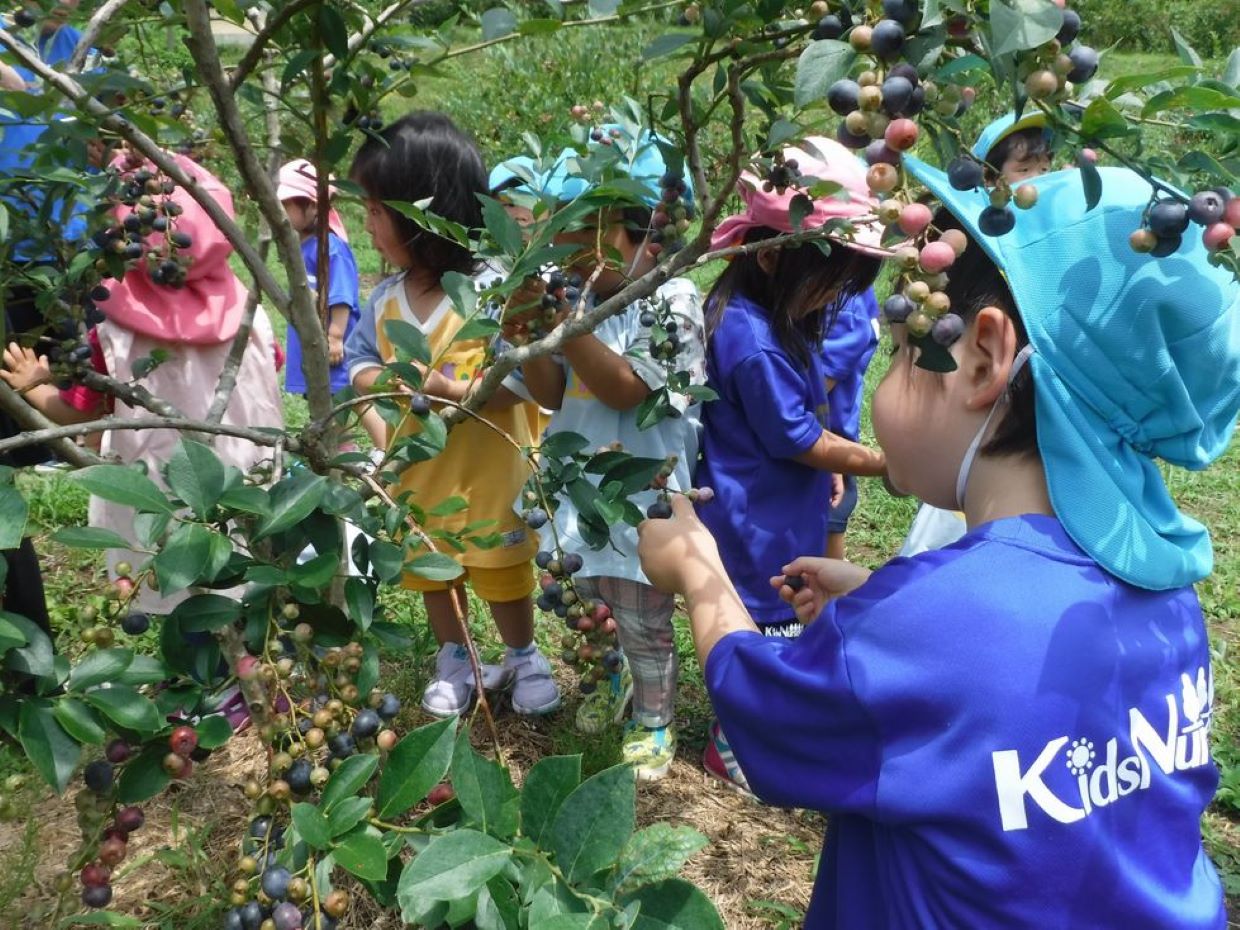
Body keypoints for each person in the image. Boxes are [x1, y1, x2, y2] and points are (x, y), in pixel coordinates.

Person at [636, 156, 1238, 927]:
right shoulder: (1167, 589)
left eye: (899, 350)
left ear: (982, 358)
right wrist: (881, 600)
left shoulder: (927, 631)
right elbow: (1013, 682)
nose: (887, 375)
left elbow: (762, 716)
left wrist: (698, 571)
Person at [0, 146, 284, 612]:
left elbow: (77, 414)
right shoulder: (246, 308)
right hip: (245, 486)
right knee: (247, 582)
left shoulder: (117, 327)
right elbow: (268, 368)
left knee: (181, 592)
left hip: (160, 498)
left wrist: (34, 384)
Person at [345, 112, 558, 718]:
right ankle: (457, 657)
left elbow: (524, 377)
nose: (368, 225)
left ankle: (522, 654)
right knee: (433, 570)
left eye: (377, 210)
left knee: (503, 568)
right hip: (422, 473)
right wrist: (383, 410)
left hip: (492, 470)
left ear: (423, 213)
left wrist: (453, 392)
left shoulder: (496, 292)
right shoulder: (386, 299)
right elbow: (359, 361)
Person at [693, 138, 887, 791]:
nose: (834, 299)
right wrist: (879, 462)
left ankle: (767, 726)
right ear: (774, 258)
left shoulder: (767, 316)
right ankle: (735, 742)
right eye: (829, 282)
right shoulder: (751, 340)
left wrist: (832, 457)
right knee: (763, 619)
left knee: (784, 615)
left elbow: (806, 412)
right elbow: (793, 437)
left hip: (781, 503)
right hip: (756, 515)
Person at [512, 127, 706, 781]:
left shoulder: (672, 303)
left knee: (643, 617)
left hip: (642, 502)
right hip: (573, 492)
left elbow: (625, 387)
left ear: (637, 235)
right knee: (584, 602)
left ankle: (652, 717)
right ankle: (607, 677)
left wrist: (562, 323)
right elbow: (548, 392)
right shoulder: (576, 298)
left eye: (574, 239)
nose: (563, 257)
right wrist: (530, 332)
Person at [899, 111, 1054, 558]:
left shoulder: (1048, 248)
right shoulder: (969, 255)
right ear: (988, 179)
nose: (1040, 180)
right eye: (1025, 168)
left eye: (1046, 167)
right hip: (975, 435)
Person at [820, 287, 881, 560]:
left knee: (825, 545)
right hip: (829, 441)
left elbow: (807, 395)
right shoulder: (854, 295)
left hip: (824, 444)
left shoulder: (843, 304)